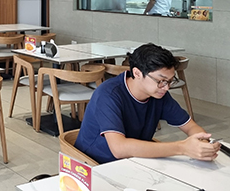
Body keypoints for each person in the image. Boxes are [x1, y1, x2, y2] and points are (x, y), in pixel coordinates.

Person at [75, 43, 220, 164]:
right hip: (95, 163)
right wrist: (182, 148)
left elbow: (190, 126)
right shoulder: (109, 94)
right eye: (161, 81)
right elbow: (119, 149)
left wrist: (201, 143)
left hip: (135, 159)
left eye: (170, 81)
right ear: (137, 73)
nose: (166, 87)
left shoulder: (159, 94)